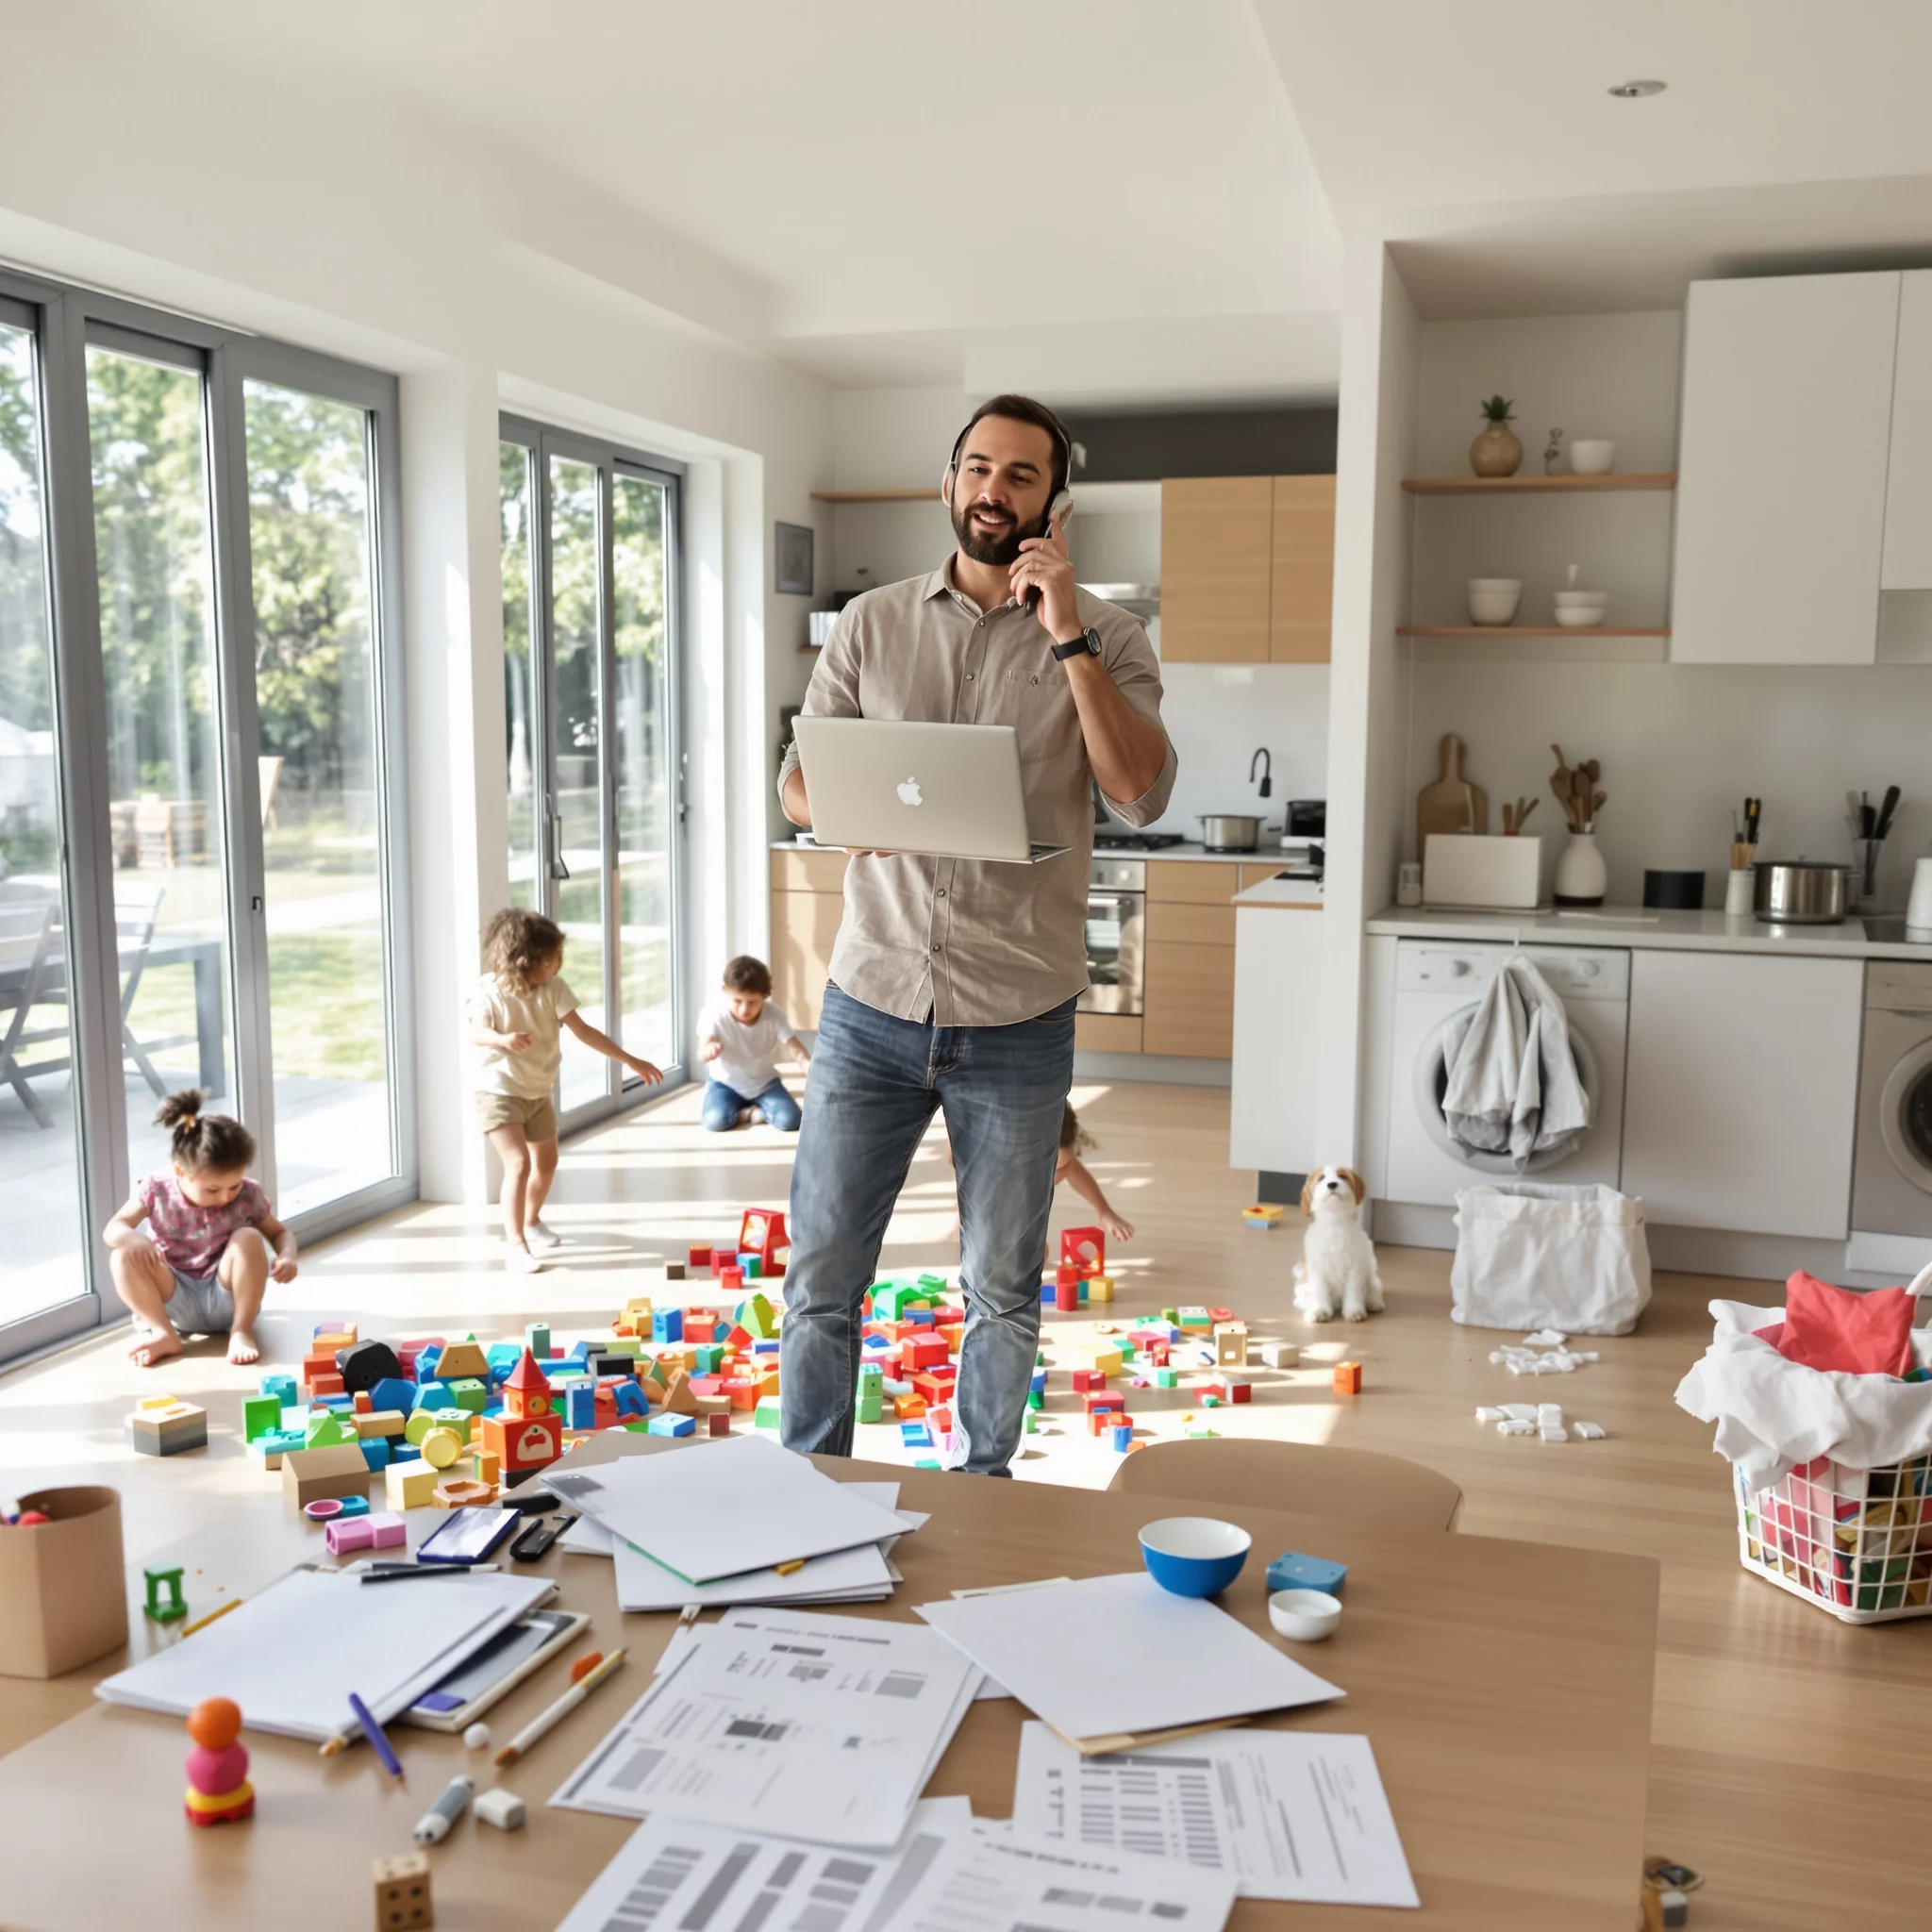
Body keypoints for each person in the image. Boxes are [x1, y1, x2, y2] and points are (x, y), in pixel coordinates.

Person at [775, 393, 1175, 1474]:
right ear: (946, 484)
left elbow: (1136, 789)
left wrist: (1069, 639)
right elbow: (799, 783)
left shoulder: (1112, 636)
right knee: (820, 1276)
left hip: (1016, 1011)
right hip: (871, 1002)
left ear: (1054, 502)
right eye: (978, 469)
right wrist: (842, 809)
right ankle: (807, 1485)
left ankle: (982, 1490)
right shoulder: (871, 623)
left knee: (1000, 1287)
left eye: (1020, 475)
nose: (994, 491)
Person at [469, 907, 663, 1272]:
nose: (557, 966)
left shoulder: (553, 988)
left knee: (547, 1163)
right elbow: (477, 1032)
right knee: (518, 1163)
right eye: (550, 960)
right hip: (497, 1091)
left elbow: (585, 1031)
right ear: (522, 961)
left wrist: (631, 1061)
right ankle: (516, 1244)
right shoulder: (487, 991)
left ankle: (531, 1220)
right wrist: (502, 1039)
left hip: (538, 1091)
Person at [104, 1089, 294, 1368]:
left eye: (234, 1185)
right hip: (173, 1296)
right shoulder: (156, 1190)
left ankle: (241, 1331)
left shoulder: (248, 1195)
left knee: (249, 1237)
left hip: (226, 1295)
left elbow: (279, 1233)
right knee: (121, 1255)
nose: (225, 1196)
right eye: (213, 1189)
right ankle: (163, 1333)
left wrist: (287, 1255)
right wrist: (130, 1237)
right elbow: (114, 1228)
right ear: (180, 1171)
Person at [697, 955, 808, 1131]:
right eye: (737, 1000)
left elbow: (794, 1046)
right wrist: (709, 1050)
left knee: (791, 1120)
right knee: (715, 1121)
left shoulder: (774, 1015)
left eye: (752, 1002)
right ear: (725, 990)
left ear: (765, 995)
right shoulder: (714, 1014)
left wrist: (806, 1063)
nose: (744, 1009)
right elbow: (701, 1054)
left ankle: (751, 1110)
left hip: (765, 1083)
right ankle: (749, 1113)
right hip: (724, 1083)